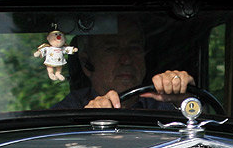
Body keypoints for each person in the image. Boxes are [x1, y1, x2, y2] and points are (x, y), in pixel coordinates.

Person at [54, 17, 194, 109]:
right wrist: (86, 123)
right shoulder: (69, 111)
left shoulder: (164, 104)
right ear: (86, 63)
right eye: (112, 49)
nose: (126, 60)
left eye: (134, 48)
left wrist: (185, 99)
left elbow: (204, 136)